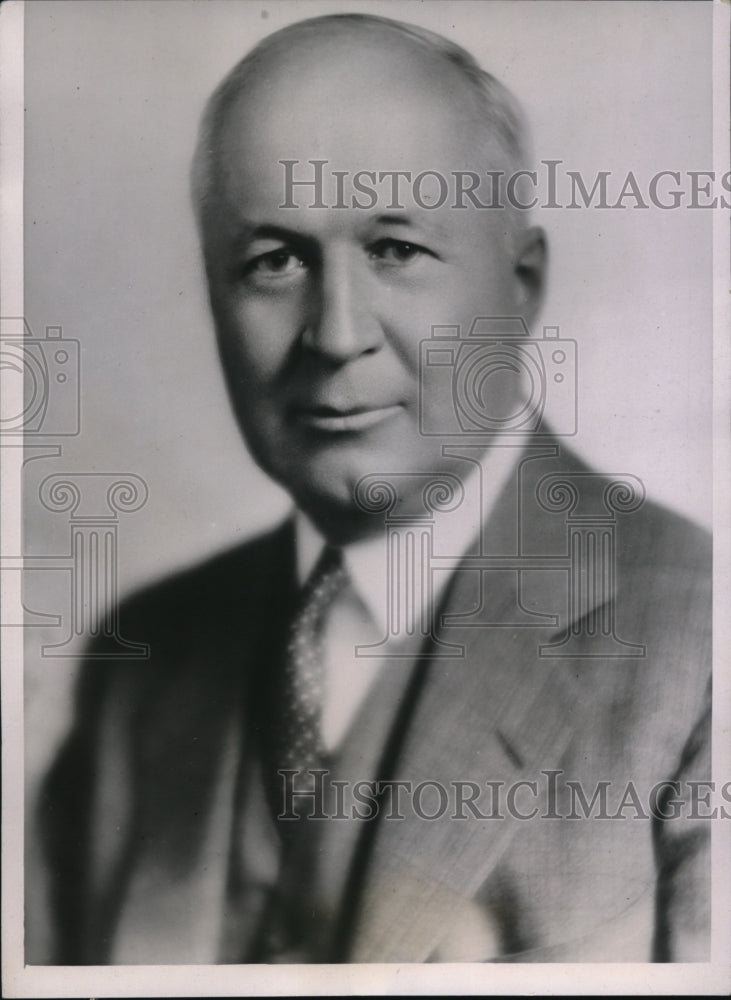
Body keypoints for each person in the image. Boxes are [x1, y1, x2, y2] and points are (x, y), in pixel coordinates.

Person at [39, 13, 711, 964]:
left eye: (394, 249)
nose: (335, 333)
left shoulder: (698, 646)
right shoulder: (141, 664)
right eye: (274, 261)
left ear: (522, 287)